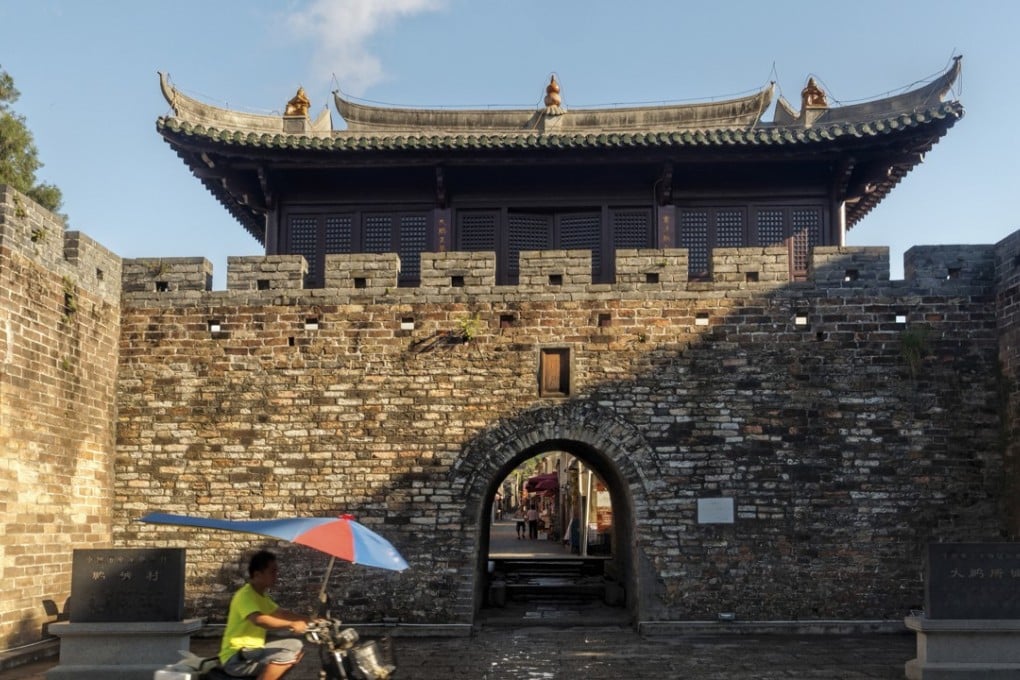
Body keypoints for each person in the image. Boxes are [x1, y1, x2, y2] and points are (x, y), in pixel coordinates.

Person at [219, 550, 313, 680]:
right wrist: (291, 624)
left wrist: (312, 620)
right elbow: (258, 619)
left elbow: (281, 613)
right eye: (272, 572)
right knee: (286, 655)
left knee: (296, 646)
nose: (276, 575)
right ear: (257, 574)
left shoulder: (262, 596)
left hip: (252, 652)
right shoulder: (245, 595)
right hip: (236, 658)